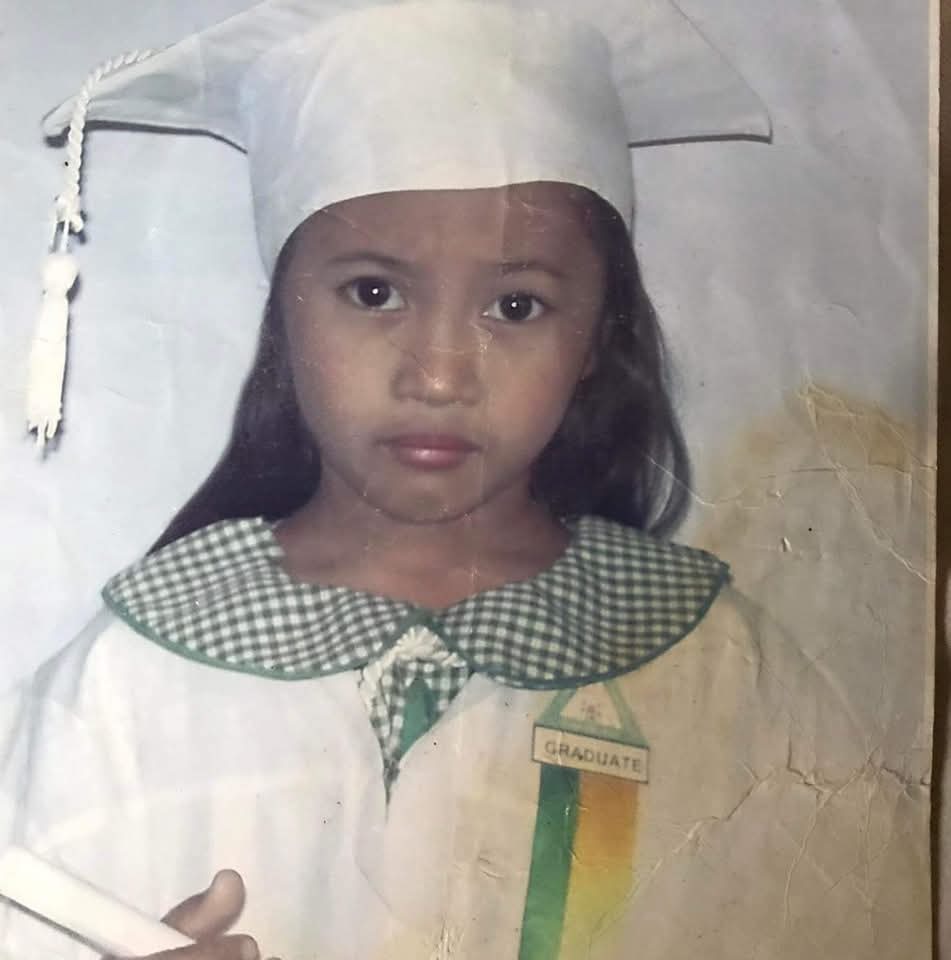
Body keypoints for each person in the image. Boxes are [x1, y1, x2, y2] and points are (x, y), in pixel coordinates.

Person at [1, 2, 909, 959]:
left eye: (516, 306)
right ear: (286, 319)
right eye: (372, 293)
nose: (438, 374)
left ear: (597, 338)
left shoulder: (724, 672)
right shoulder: (131, 680)